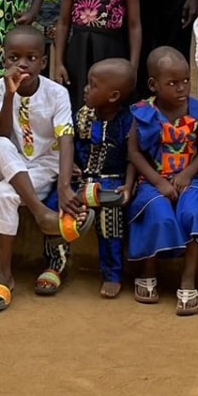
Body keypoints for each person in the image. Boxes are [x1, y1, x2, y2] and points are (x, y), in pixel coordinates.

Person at [0, 25, 79, 309]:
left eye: (31, 57)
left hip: (41, 165)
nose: (21, 64)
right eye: (14, 58)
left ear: (43, 62)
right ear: (4, 60)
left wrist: (63, 186)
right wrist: (10, 94)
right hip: (6, 159)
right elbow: (1, 134)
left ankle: (3, 274)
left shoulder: (57, 93)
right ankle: (41, 213)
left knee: (3, 195)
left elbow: (66, 137)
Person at [126, 46, 198, 315]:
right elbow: (133, 152)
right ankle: (148, 270)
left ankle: (188, 279)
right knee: (159, 212)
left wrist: (187, 174)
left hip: (189, 179)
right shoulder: (143, 113)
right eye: (172, 83)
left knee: (195, 211)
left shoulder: (197, 113)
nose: (182, 88)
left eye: (185, 80)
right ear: (153, 84)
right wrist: (159, 182)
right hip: (152, 180)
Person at [74, 58, 137, 299]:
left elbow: (133, 157)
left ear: (113, 96)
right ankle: (55, 264)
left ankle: (112, 273)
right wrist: (70, 166)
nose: (86, 89)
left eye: (93, 85)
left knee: (110, 211)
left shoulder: (128, 121)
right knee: (60, 200)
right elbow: (70, 145)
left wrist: (129, 187)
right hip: (83, 178)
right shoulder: (82, 116)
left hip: (113, 180)